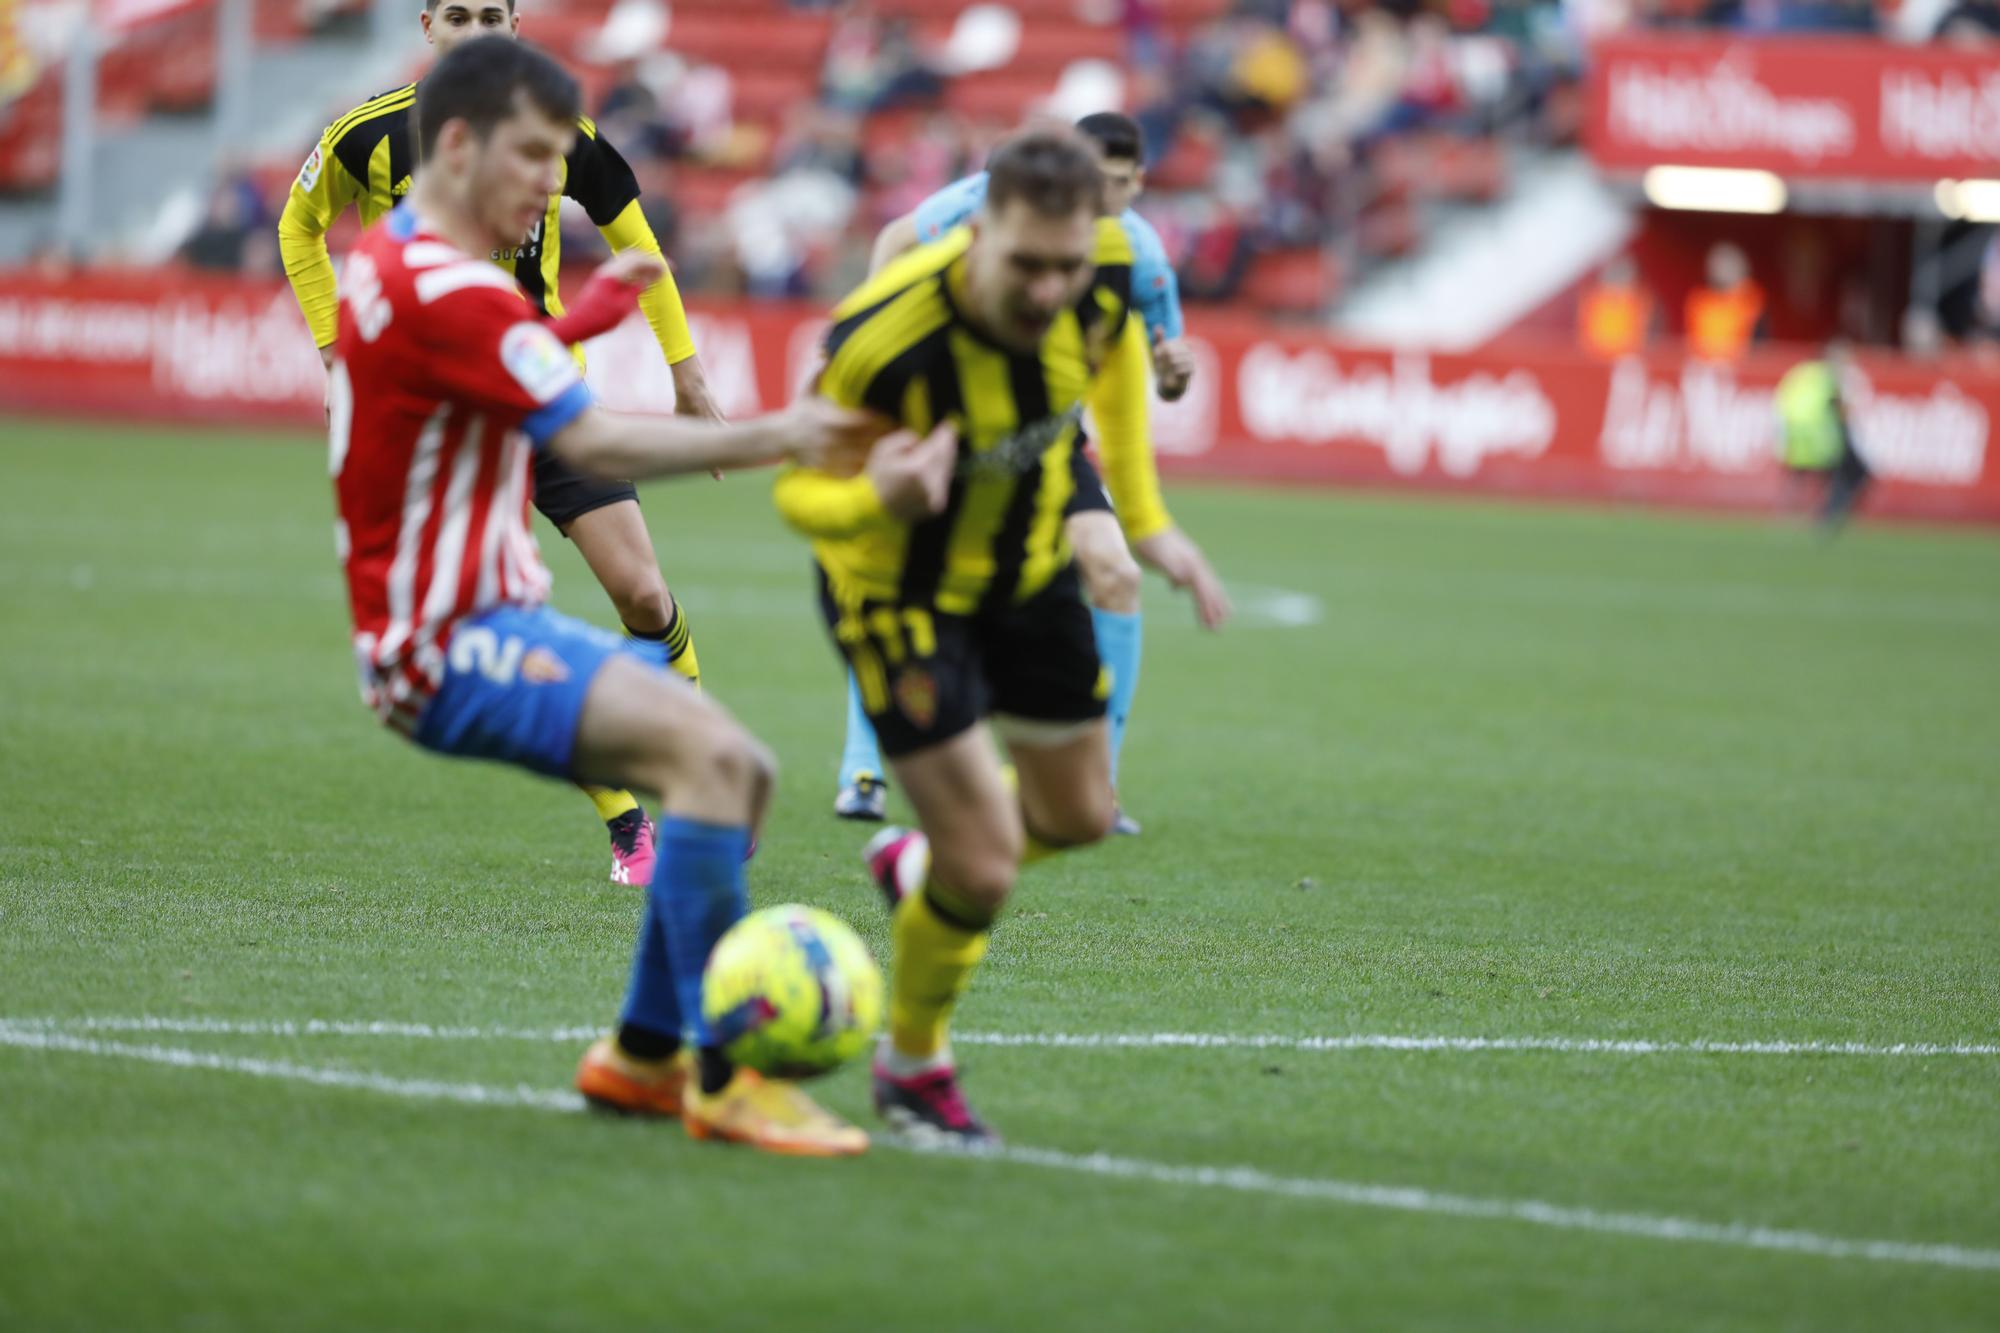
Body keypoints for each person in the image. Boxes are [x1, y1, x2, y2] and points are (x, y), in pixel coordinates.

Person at [334, 36, 945, 1154]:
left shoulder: (391, 256)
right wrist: (794, 432)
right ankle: (721, 1075)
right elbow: (591, 434)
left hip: (467, 621)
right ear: (457, 142)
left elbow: (471, 357)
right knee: (715, 766)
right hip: (447, 642)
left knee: (738, 769)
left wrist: (576, 320)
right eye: (529, 158)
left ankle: (640, 1059)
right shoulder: (449, 288)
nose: (548, 186)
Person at [279, 0, 722, 888]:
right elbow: (300, 228)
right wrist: (336, 356)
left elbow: (642, 247)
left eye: (493, 13)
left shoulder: (559, 136)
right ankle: (628, 821)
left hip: (543, 392)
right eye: (457, 13)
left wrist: (687, 374)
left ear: (515, 30)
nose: (474, 27)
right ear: (426, 26)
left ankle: (689, 759)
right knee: (512, 625)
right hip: (444, 423)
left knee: (641, 590)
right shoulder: (367, 136)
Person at [774, 129, 1160, 1145]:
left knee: (1077, 815)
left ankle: (913, 865)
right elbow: (797, 491)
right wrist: (873, 494)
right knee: (984, 865)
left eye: (1066, 266)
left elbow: (1111, 371)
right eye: (1025, 264)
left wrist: (1145, 520)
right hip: (896, 594)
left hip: (1025, 573)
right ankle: (911, 1068)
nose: (1047, 290)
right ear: (976, 230)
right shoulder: (882, 334)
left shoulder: (1103, 267)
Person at [832, 111, 1229, 834]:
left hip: (1041, 436)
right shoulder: (980, 204)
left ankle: (1096, 786)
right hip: (944, 422)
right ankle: (863, 764)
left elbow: (1162, 379)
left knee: (1115, 570)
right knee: (898, 575)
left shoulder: (1138, 255)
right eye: (1088, 179)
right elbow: (895, 242)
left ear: (1135, 185)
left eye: (1113, 186)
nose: (1097, 200)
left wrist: (1173, 376)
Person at [1775, 342, 1871, 531]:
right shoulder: (1828, 376)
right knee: (1829, 475)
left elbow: (1781, 398)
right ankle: (1822, 515)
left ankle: (1788, 516)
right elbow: (1838, 406)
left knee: (1798, 475)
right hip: (1818, 434)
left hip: (1794, 433)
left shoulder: (1799, 372)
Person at [1685, 242, 1765, 363]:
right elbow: (1692, 342)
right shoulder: (1700, 300)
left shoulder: (1752, 300)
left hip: (1743, 369)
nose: (1722, 270)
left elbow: (1761, 346)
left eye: (1729, 266)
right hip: (1705, 367)